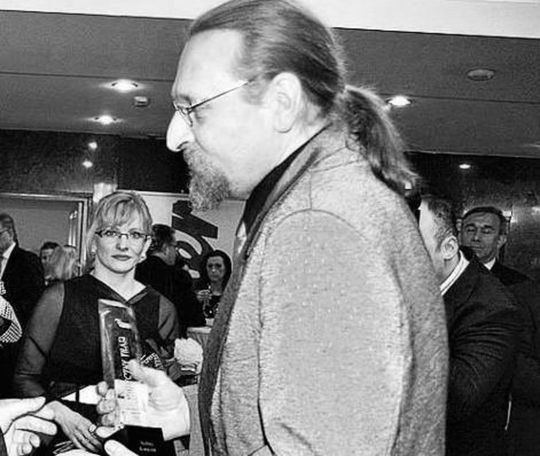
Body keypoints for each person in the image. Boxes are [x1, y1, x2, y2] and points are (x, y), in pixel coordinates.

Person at [162, 0, 448, 454]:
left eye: (192, 107)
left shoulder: (318, 225)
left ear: (282, 102)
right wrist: (186, 414)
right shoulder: (314, 200)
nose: (174, 136)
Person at [13, 191, 180, 453]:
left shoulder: (163, 309)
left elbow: (166, 387)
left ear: (146, 244)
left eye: (135, 234)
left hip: (139, 439)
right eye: (112, 233)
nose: (123, 245)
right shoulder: (60, 298)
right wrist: (59, 413)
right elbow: (24, 377)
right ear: (94, 240)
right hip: (70, 435)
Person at [418, 195, 519, 455]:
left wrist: (408, 317)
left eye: (411, 247)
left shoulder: (494, 307)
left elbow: (458, 399)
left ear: (449, 248)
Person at [461, 206, 540, 455]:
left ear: (502, 239)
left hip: (499, 410)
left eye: (486, 231)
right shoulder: (437, 279)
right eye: (470, 229)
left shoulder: (519, 287)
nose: (476, 237)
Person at [0, 213, 45, 398]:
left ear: (10, 233)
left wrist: (6, 316)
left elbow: (34, 301)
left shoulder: (27, 260)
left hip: (16, 344)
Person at [136, 224, 205, 335]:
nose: (176, 252)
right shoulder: (178, 276)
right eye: (174, 247)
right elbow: (195, 318)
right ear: (165, 248)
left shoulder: (131, 272)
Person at [194, 250, 231, 319]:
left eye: (218, 266)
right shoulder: (196, 292)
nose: (213, 270)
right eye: (210, 266)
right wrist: (195, 301)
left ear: (226, 268)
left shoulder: (233, 293)